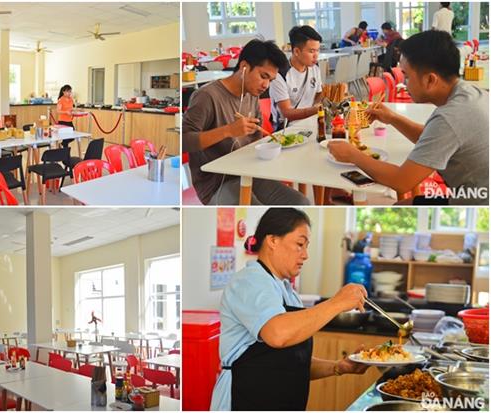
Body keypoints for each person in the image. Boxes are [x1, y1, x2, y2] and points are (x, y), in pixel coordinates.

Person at [210, 208, 369, 411]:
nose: (306, 255)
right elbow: (278, 334)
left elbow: (291, 362)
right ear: (273, 240)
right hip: (245, 400)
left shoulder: (287, 290)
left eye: (306, 246)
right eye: (300, 245)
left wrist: (338, 367)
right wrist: (337, 302)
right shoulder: (249, 281)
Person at [328, 30, 489, 205]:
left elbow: (401, 182)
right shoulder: (470, 93)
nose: (403, 83)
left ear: (430, 80)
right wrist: (392, 118)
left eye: (406, 76)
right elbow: (432, 139)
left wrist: (353, 155)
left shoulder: (450, 117)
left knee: (398, 207)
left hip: (478, 202)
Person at [183, 39, 310, 205]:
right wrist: (228, 130)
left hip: (249, 172)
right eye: (263, 76)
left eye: (270, 80)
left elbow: (256, 141)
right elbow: (184, 141)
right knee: (254, 211)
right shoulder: (207, 96)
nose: (266, 85)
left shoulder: (252, 94)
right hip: (217, 182)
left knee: (300, 203)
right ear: (244, 67)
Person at [270, 25, 323, 129]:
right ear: (296, 52)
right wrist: (316, 110)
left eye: (318, 50)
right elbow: (287, 113)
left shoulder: (315, 68)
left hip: (309, 121)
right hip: (287, 128)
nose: (316, 55)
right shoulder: (280, 74)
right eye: (312, 51)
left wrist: (329, 96)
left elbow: (319, 94)